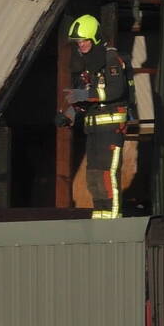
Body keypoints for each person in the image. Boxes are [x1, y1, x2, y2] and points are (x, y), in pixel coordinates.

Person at [57, 14, 129, 219]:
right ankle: (100, 223)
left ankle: (113, 225)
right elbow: (85, 99)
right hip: (94, 131)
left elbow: (116, 91)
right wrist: (68, 115)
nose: (81, 45)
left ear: (95, 38)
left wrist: (85, 95)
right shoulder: (88, 66)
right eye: (78, 42)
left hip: (111, 129)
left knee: (107, 178)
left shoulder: (111, 60)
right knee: (94, 179)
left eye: (84, 41)